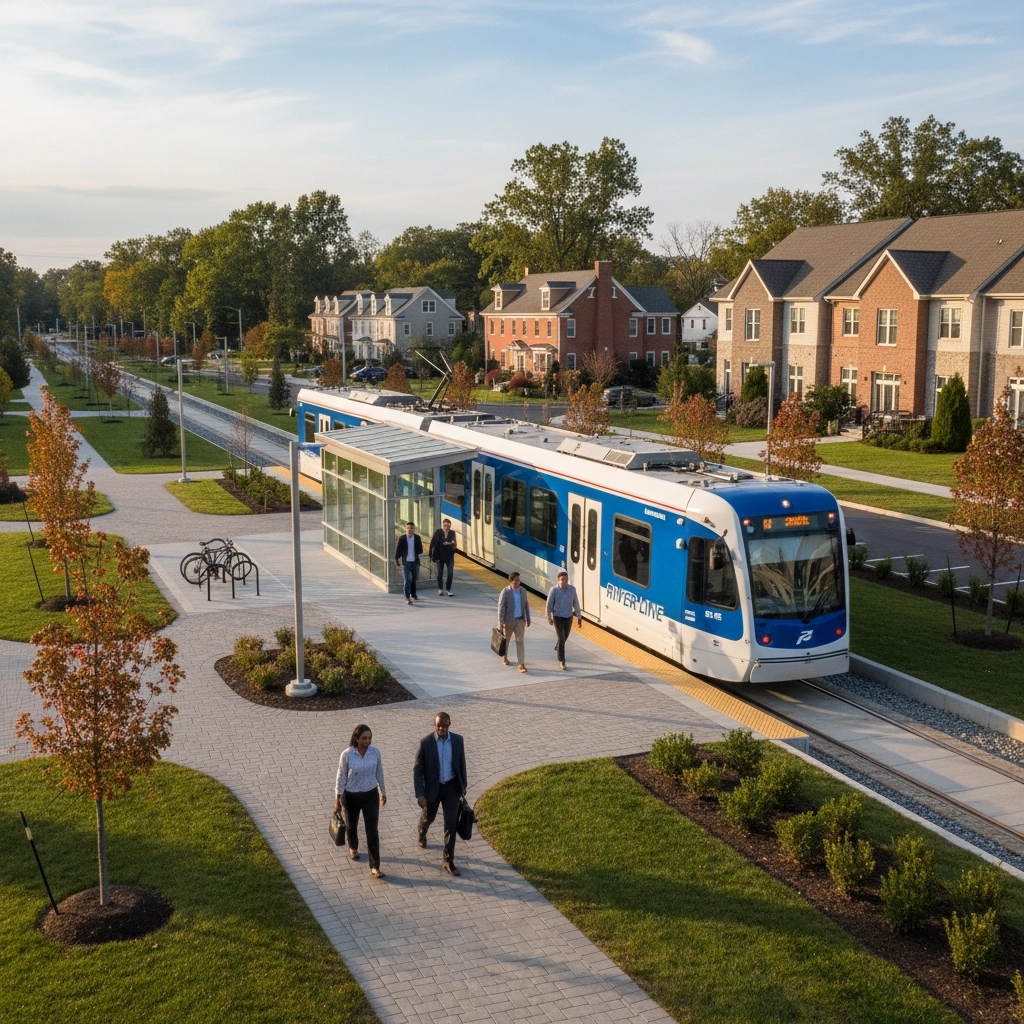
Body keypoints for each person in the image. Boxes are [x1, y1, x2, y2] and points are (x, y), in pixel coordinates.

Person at [413, 712, 468, 876]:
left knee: (450, 825)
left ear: (449, 724)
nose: (441, 729)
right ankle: (422, 832)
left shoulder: (458, 740)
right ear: (435, 725)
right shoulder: (425, 742)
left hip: (451, 788)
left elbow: (461, 764)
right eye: (439, 726)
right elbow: (417, 770)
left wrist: (462, 784)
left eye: (444, 725)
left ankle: (448, 861)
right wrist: (420, 794)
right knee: (429, 817)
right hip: (433, 789)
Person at [335, 723, 387, 879]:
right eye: (364, 738)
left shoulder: (375, 753)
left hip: (371, 795)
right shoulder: (347, 754)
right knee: (352, 825)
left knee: (372, 831)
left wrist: (382, 792)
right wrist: (338, 798)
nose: (368, 741)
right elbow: (341, 776)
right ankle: (353, 846)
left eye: (370, 738)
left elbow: (380, 773)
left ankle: (375, 866)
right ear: (356, 739)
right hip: (351, 795)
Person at [546, 570, 582, 671]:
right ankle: (562, 660)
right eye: (562, 579)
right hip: (557, 617)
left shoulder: (572, 590)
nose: (564, 581)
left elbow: (576, 603)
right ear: (558, 580)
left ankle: (558, 646)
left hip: (568, 617)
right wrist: (548, 617)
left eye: (566, 579)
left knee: (565, 637)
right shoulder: (554, 590)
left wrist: (579, 617)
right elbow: (549, 605)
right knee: (561, 639)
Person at [497, 571, 531, 673]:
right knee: (506, 641)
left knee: (520, 641)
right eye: (515, 580)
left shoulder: (523, 591)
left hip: (520, 620)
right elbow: (501, 608)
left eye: (519, 580)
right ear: (511, 581)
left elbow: (526, 605)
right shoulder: (505, 592)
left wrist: (528, 618)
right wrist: (501, 623)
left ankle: (521, 664)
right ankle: (505, 657)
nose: (517, 582)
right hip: (508, 621)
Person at [394, 521, 423, 605]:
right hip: (405, 563)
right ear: (406, 529)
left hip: (415, 562)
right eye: (408, 528)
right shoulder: (402, 538)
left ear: (414, 529)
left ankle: (413, 594)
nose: (409, 530)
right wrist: (397, 562)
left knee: (414, 579)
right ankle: (407, 597)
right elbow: (398, 551)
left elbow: (420, 550)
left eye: (411, 528)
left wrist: (415, 548)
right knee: (407, 580)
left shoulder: (417, 538)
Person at [429, 517, 457, 596]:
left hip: (449, 556)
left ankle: (448, 589)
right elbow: (433, 543)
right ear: (443, 525)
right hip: (440, 556)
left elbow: (455, 544)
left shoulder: (452, 533)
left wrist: (451, 544)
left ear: (450, 526)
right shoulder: (438, 532)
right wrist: (431, 555)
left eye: (448, 526)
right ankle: (440, 589)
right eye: (445, 526)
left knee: (450, 572)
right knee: (439, 573)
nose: (446, 528)